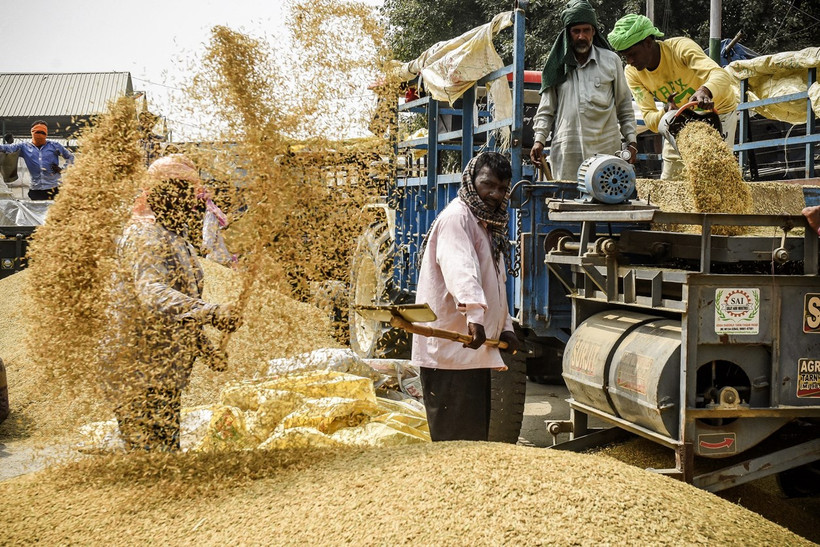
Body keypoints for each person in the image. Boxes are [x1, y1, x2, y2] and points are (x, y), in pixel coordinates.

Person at [102, 154, 240, 452]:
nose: (192, 203)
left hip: (163, 368)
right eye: (183, 193)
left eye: (191, 194)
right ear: (163, 195)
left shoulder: (175, 237)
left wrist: (206, 350)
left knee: (166, 452)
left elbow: (178, 311)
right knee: (149, 457)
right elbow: (152, 292)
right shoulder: (145, 235)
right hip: (136, 367)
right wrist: (211, 313)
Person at [412, 151, 521, 442]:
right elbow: (461, 272)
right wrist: (475, 317)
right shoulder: (457, 219)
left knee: (472, 440)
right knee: (455, 441)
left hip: (472, 353)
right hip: (450, 350)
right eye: (487, 185)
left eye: (501, 188)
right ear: (472, 181)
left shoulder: (487, 224)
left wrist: (505, 327)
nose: (494, 194)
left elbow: (495, 283)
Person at [608, 15, 739, 180]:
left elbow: (721, 75)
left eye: (633, 54)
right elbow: (650, 119)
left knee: (714, 174)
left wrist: (705, 90)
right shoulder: (632, 72)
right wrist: (666, 111)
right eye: (625, 56)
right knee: (670, 181)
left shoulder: (680, 48)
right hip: (679, 118)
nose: (630, 61)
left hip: (718, 112)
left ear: (648, 43)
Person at [530, 0, 637, 181]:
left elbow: (624, 105)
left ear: (593, 32)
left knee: (606, 201)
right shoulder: (557, 65)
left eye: (586, 30)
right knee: (566, 202)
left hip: (606, 150)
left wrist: (632, 141)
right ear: (568, 34)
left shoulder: (611, 61)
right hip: (568, 151)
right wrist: (539, 140)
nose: (581, 36)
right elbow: (546, 110)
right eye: (576, 31)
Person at [0, 120, 74, 200]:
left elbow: (71, 157)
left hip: (54, 188)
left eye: (43, 133)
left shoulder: (54, 146)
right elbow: (7, 148)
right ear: (32, 132)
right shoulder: (24, 147)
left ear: (46, 134)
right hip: (36, 190)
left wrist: (63, 170)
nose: (40, 135)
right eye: (37, 132)